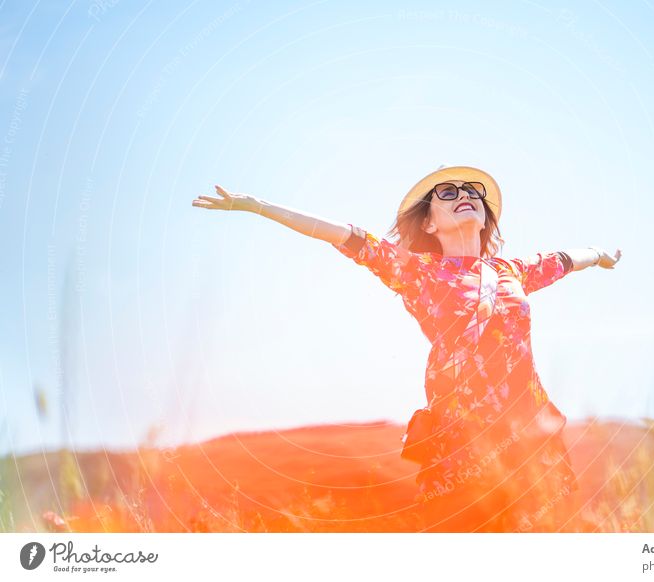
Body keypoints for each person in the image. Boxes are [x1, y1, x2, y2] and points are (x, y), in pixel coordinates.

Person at [192, 165, 622, 532]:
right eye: (447, 193)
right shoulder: (417, 273)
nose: (465, 196)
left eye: (473, 193)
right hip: (463, 443)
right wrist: (258, 206)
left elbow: (567, 259)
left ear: (485, 217)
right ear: (430, 223)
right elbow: (341, 235)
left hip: (529, 437)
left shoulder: (512, 270)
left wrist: (601, 254)